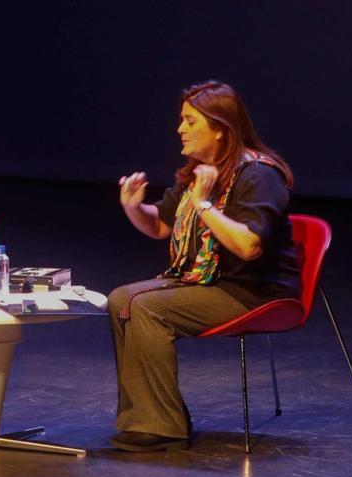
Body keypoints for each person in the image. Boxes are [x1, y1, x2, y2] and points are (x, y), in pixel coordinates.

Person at [108, 81, 300, 452]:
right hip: (205, 282)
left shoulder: (258, 175)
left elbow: (249, 246)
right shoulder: (202, 172)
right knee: (121, 299)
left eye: (189, 121)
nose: (180, 129)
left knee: (146, 308)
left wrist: (204, 205)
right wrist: (133, 206)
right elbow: (160, 226)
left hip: (250, 291)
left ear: (220, 128)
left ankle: (163, 427)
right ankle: (153, 415)